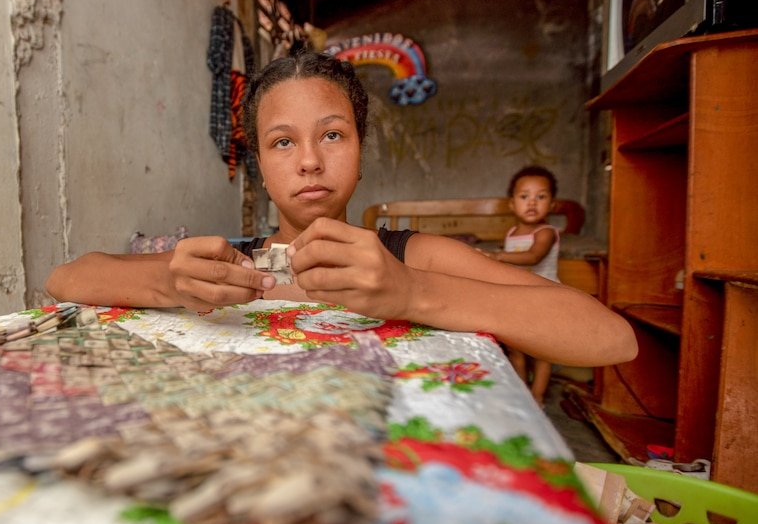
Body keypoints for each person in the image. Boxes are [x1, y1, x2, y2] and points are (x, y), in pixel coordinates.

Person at [46, 51, 637, 369]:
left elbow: (611, 338)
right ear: (257, 160)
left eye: (332, 135)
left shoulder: (412, 259)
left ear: (360, 147)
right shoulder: (235, 266)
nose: (308, 162)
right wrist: (168, 278)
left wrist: (409, 293)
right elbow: (65, 278)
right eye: (282, 142)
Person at [492, 165, 561, 406]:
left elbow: (533, 257)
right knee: (516, 350)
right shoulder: (511, 233)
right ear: (512, 204)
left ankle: (538, 396)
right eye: (524, 196)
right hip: (518, 297)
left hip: (544, 297)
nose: (532, 202)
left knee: (543, 352)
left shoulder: (546, 232)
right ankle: (523, 395)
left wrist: (497, 256)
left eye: (541, 196)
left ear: (552, 204)